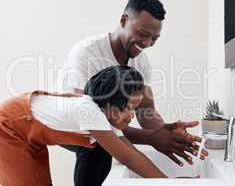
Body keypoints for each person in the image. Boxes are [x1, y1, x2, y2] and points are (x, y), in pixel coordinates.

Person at [56, 0, 208, 186]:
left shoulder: (141, 62)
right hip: (68, 126)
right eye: (143, 34)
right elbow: (91, 121)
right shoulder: (87, 54)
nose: (147, 43)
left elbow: (146, 111)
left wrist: (166, 134)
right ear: (123, 20)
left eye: (154, 38)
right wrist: (153, 139)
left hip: (96, 128)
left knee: (105, 146)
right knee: (97, 144)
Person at [0, 66, 171, 186]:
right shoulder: (89, 111)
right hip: (9, 126)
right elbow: (128, 158)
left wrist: (170, 182)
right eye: (129, 108)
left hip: (25, 127)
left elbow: (133, 153)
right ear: (111, 102)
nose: (132, 116)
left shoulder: (103, 118)